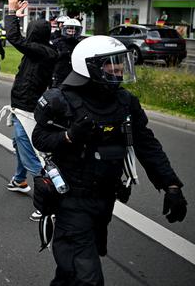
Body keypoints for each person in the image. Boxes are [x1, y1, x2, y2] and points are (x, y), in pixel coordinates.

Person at [32, 35, 187, 285]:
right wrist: (69, 137)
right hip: (71, 199)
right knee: (87, 278)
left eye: (120, 62)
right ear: (88, 67)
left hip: (104, 199)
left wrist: (171, 185)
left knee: (71, 272)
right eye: (109, 64)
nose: (117, 68)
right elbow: (39, 138)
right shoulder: (60, 99)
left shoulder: (125, 101)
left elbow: (147, 144)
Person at [0, 0, 57, 221]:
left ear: (35, 34)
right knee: (19, 143)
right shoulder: (40, 50)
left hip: (27, 109)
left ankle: (47, 202)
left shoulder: (42, 52)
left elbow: (14, 38)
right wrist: (20, 17)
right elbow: (21, 39)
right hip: (22, 106)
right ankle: (19, 179)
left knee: (29, 151)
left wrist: (12, 12)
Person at [50, 18, 83, 88]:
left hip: (74, 74)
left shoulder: (80, 44)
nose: (71, 33)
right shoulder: (56, 42)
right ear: (64, 30)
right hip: (58, 74)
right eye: (69, 31)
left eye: (73, 31)